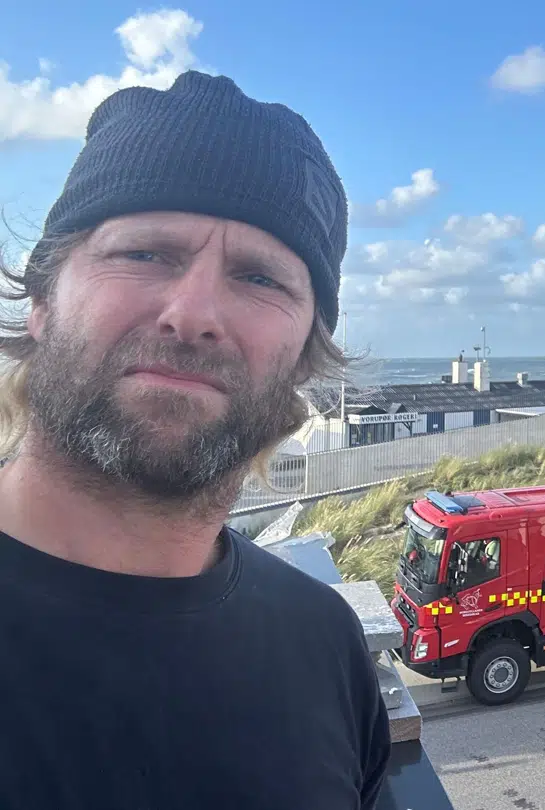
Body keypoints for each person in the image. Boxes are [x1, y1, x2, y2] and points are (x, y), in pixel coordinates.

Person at [0, 71, 391, 808]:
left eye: (260, 278)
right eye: (146, 253)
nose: (194, 313)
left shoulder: (323, 646)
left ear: (303, 359)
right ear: (43, 300)